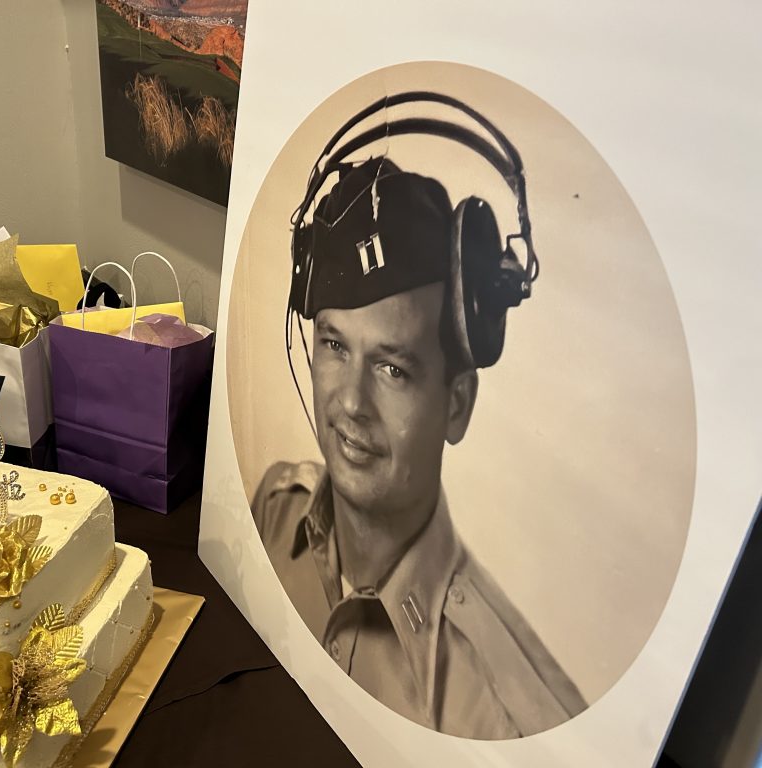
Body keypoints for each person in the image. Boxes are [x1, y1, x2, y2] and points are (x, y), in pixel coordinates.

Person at [252, 154, 587, 739]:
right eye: (334, 344)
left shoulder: (517, 727)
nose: (351, 402)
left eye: (392, 369)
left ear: (456, 405)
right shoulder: (275, 511)